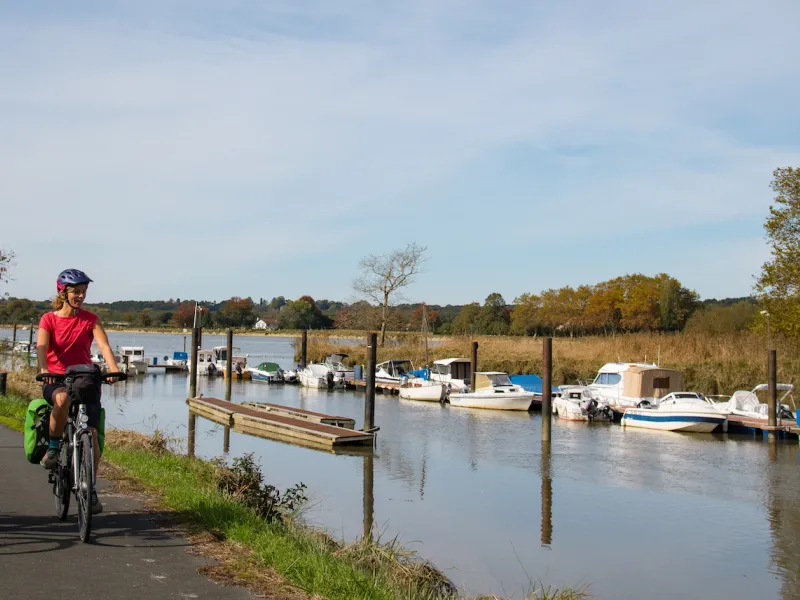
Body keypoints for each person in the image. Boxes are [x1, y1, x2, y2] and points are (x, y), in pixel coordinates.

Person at [36, 269, 121, 514]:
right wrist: (44, 370)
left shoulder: (90, 319)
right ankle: (53, 449)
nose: (81, 296)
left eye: (83, 292)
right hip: (55, 377)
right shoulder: (48, 319)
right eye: (76, 291)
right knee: (61, 398)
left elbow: (103, 345)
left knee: (91, 435)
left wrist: (113, 370)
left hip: (83, 377)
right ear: (63, 292)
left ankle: (90, 487)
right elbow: (41, 346)